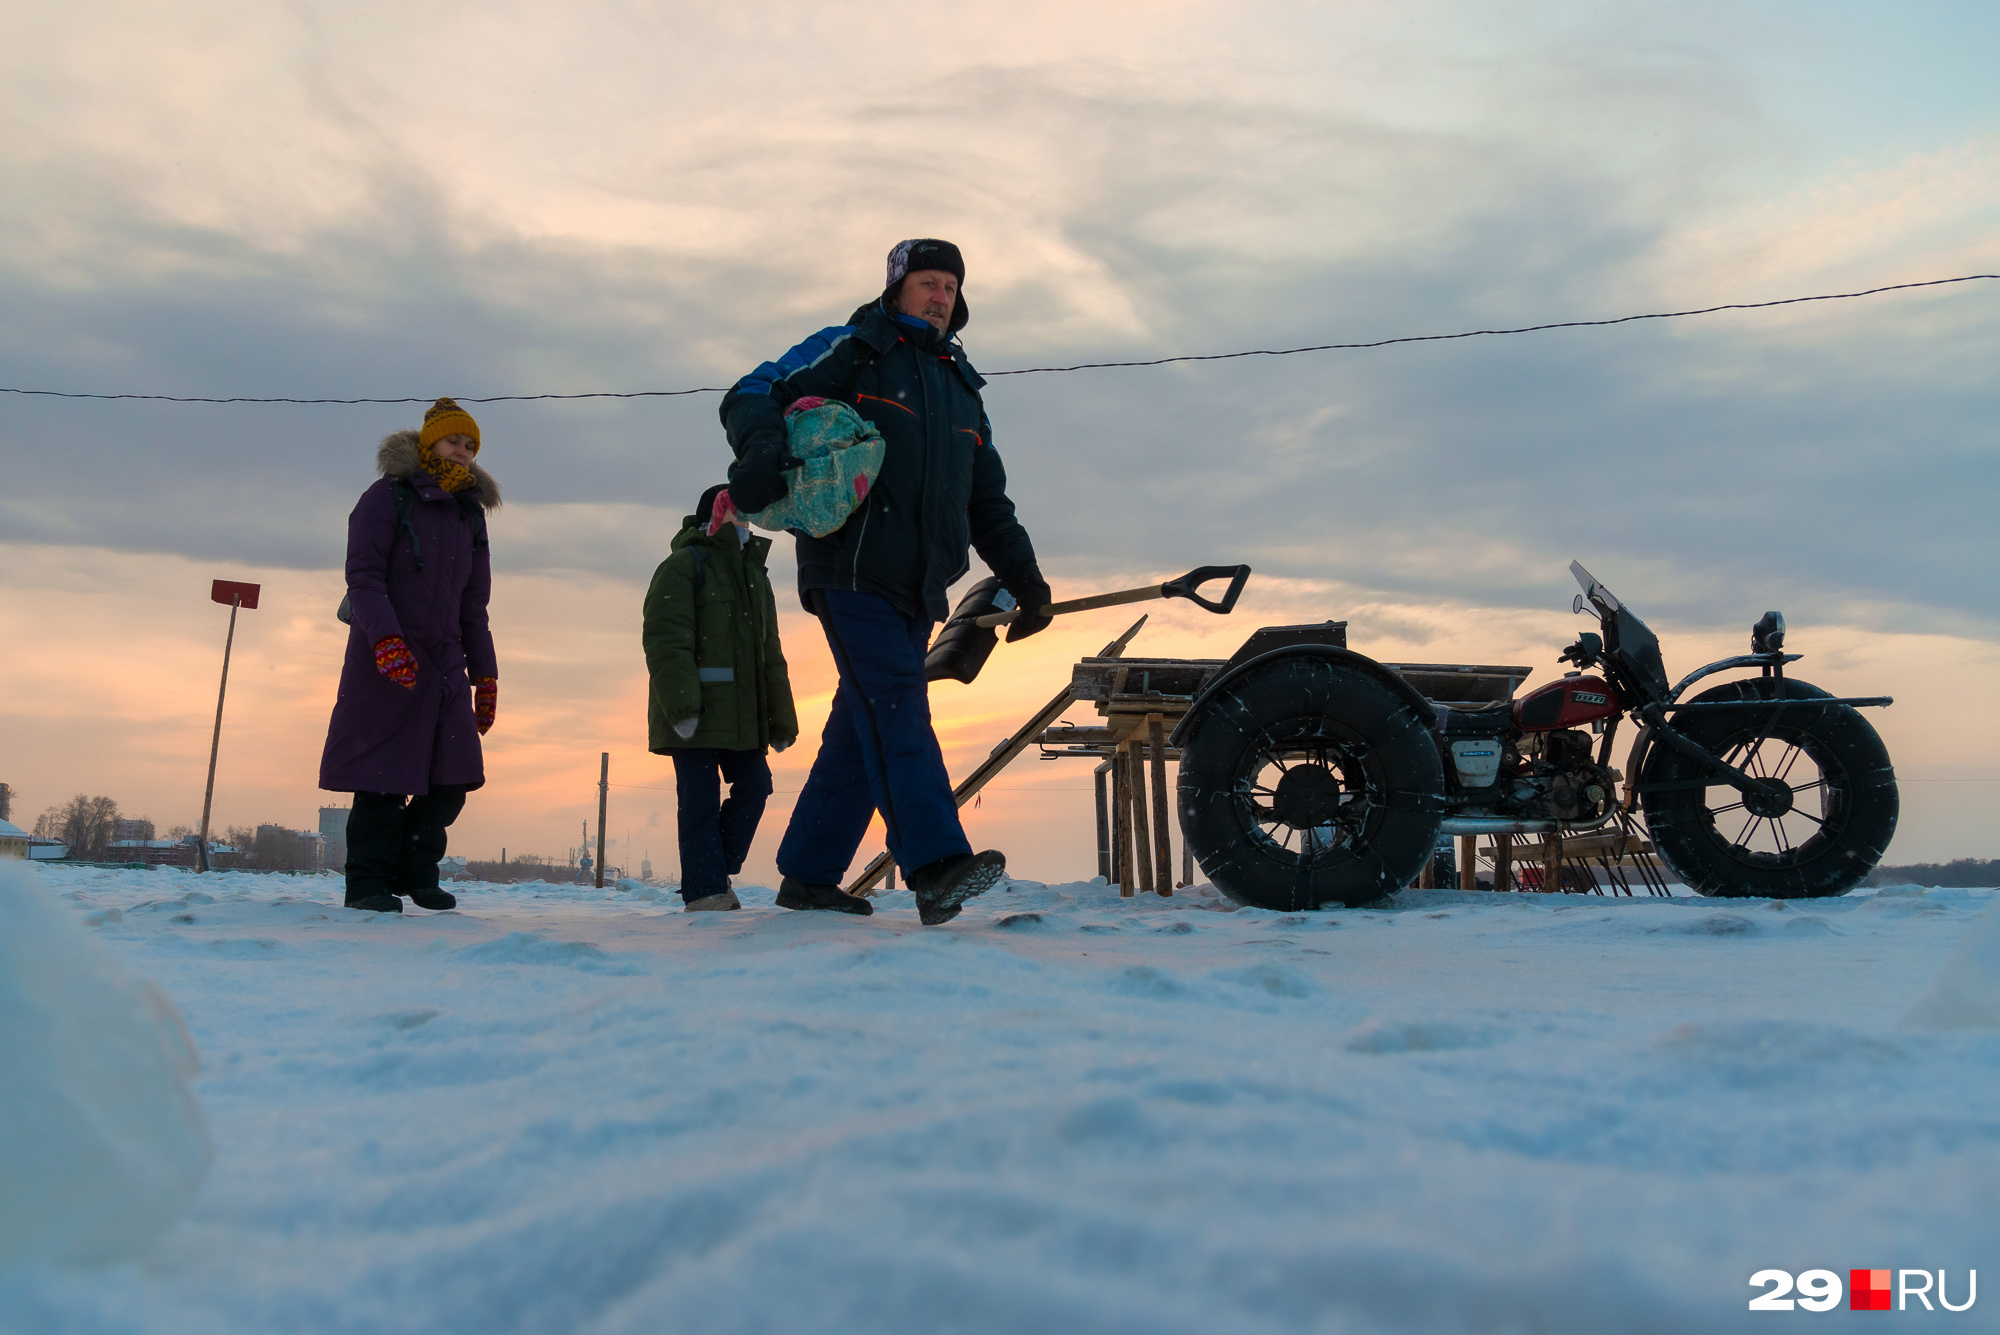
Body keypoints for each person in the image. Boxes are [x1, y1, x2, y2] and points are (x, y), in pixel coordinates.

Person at [719, 239, 1051, 925]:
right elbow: (751, 392)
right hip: (849, 563)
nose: (940, 297)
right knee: (895, 700)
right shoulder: (855, 346)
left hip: (920, 581)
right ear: (898, 288)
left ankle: (810, 872)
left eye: (950, 288)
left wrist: (1026, 578)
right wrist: (760, 447)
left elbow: (987, 500)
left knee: (860, 718)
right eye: (927, 282)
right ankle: (934, 863)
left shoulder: (962, 388)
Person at [319, 397, 499, 913]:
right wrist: (387, 644)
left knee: (452, 779)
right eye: (453, 442)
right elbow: (365, 577)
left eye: (470, 445)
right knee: (381, 780)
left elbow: (474, 604)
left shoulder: (470, 516)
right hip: (387, 656)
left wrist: (484, 677)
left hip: (444, 664)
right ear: (428, 444)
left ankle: (417, 872)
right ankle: (368, 884)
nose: (462, 452)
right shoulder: (386, 497)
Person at [642, 484, 799, 911]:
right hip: (691, 712)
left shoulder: (756, 575)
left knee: (756, 786)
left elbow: (771, 653)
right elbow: (665, 641)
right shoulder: (682, 566)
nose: (744, 524)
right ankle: (704, 891)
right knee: (699, 799)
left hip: (742, 715)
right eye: (735, 515)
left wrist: (782, 722)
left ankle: (714, 867)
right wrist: (682, 708)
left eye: (748, 516)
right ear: (713, 516)